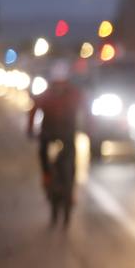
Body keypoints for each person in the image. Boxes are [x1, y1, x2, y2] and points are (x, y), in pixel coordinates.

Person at [28, 60, 84, 192]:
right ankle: (47, 176)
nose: (59, 87)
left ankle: (70, 187)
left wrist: (90, 128)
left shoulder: (74, 94)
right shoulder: (47, 95)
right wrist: (30, 128)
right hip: (49, 132)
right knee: (44, 152)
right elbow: (34, 109)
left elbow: (86, 110)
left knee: (70, 157)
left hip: (66, 132)